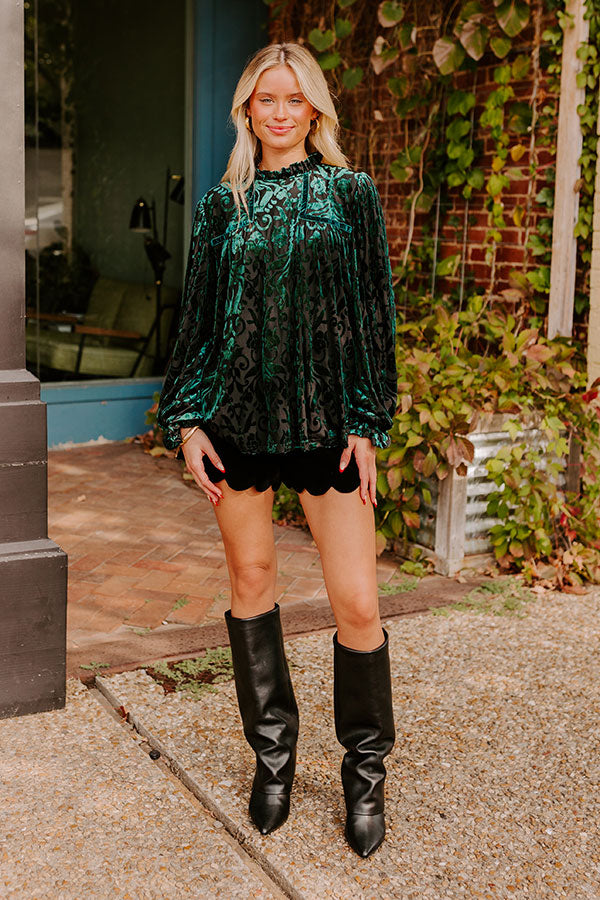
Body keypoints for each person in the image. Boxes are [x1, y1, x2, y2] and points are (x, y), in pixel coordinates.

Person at [157, 41, 398, 858]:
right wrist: (188, 420)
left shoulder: (351, 194)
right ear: (248, 110)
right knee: (252, 584)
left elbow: (374, 318)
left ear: (316, 108)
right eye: (268, 99)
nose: (282, 111)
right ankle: (274, 763)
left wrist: (367, 422)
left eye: (296, 99)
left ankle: (365, 776)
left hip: (328, 425)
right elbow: (196, 322)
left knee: (358, 603)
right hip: (240, 427)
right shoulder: (223, 205)